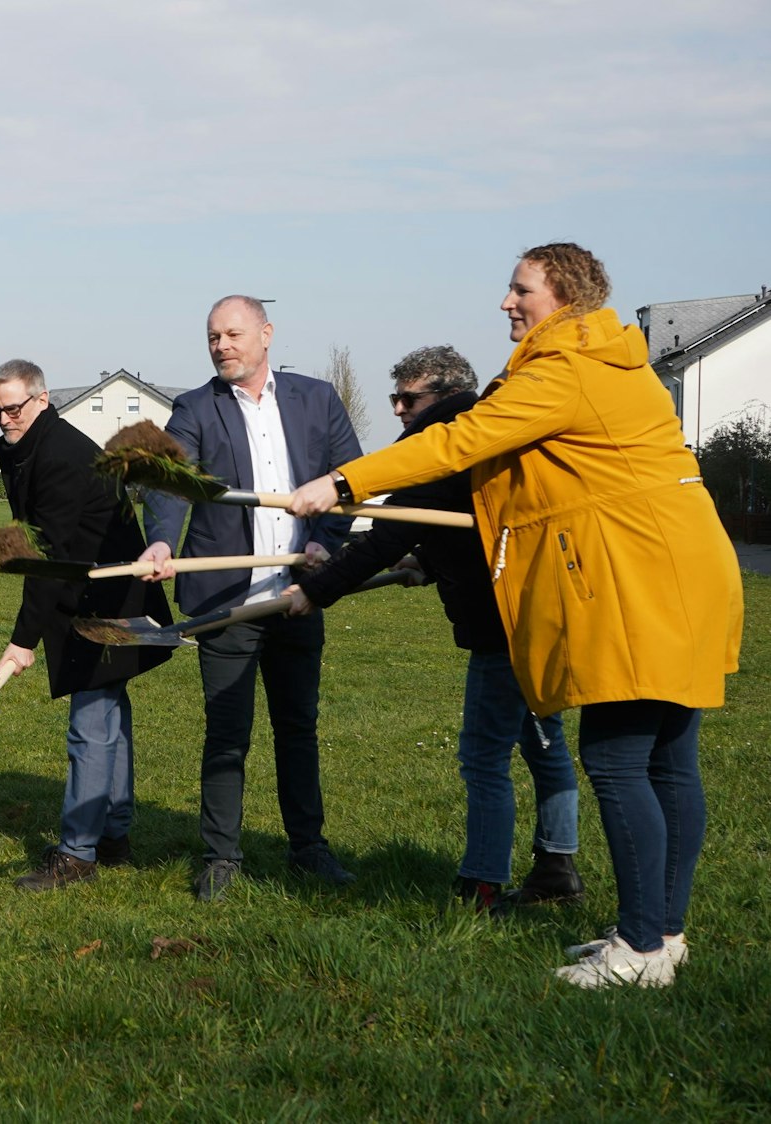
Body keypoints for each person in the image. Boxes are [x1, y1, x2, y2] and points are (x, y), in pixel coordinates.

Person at [289, 243, 743, 988]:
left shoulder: (562, 369)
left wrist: (342, 481)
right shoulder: (610, 361)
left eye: (518, 288)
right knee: (667, 759)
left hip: (636, 579)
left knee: (618, 757)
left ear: (561, 293)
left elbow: (458, 441)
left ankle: (640, 952)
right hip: (687, 571)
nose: (506, 302)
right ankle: (662, 932)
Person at [290, 346, 582, 912]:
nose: (399, 409)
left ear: (445, 396)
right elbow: (469, 524)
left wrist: (314, 591)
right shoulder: (492, 435)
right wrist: (429, 561)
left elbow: (387, 533)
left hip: (505, 625)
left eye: (408, 398)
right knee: (542, 741)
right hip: (544, 608)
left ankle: (482, 883)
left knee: (483, 754)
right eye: (395, 398)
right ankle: (557, 865)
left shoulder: (447, 435)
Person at [138, 295, 363, 901]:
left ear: (266, 333)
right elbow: (169, 483)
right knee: (227, 731)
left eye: (233, 334)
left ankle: (309, 850)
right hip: (225, 598)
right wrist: (161, 542)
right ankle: (220, 859)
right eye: (213, 337)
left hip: (299, 591)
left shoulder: (316, 399)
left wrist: (322, 547)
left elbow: (350, 482)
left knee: (298, 726)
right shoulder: (193, 408)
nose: (222, 346)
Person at [0, 360, 173, 891]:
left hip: (108, 599)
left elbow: (49, 559)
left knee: (90, 725)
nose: (4, 419)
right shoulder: (36, 444)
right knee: (108, 715)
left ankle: (78, 855)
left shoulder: (61, 456)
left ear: (41, 400)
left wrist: (22, 642)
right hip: (97, 592)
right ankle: (112, 836)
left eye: (14, 407)